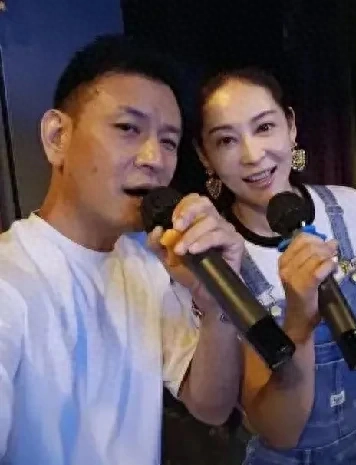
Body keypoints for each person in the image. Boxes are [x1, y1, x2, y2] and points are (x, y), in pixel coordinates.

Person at [0, 34, 246, 465]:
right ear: (57, 136)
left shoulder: (147, 263)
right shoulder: (10, 281)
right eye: (128, 129)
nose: (154, 158)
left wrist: (216, 306)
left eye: (168, 141)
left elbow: (210, 405)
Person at [192, 67, 356, 464]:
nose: (253, 155)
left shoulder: (348, 207)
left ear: (291, 126)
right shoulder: (217, 259)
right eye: (226, 140)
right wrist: (298, 325)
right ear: (205, 156)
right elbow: (275, 428)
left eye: (264, 127)